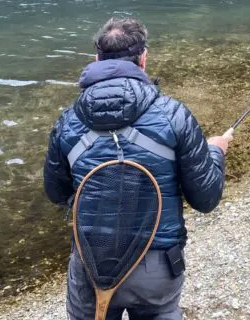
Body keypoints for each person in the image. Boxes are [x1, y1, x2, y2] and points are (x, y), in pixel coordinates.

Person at [44, 17, 232, 320]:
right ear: (143, 59)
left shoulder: (67, 122)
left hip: (91, 265)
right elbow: (205, 199)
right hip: (157, 266)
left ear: (96, 59)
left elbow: (56, 193)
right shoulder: (175, 115)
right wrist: (215, 151)